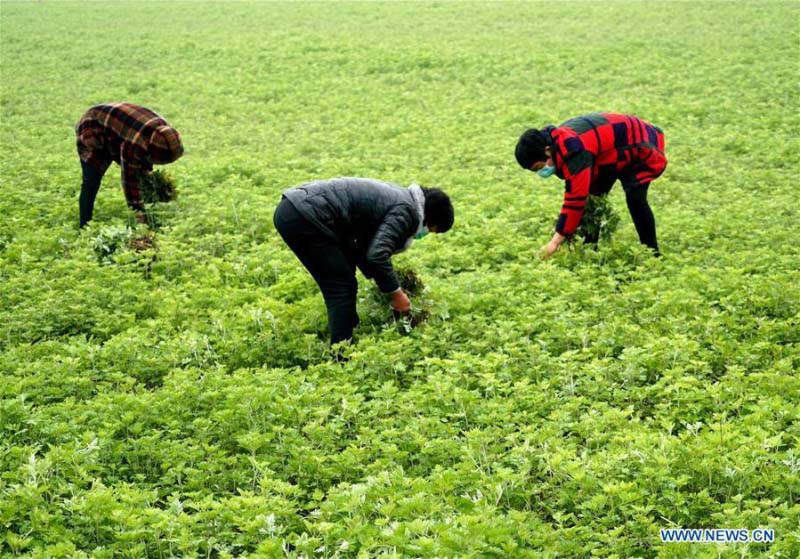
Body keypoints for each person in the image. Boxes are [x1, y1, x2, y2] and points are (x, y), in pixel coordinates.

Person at [273, 177, 454, 345]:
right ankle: (341, 356)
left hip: (296, 208)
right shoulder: (407, 212)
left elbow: (362, 249)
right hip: (305, 214)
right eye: (431, 230)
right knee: (340, 286)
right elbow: (377, 255)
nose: (425, 234)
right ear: (431, 218)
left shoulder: (401, 199)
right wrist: (395, 292)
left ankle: (350, 331)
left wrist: (384, 281)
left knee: (345, 274)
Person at [515, 112, 667, 258]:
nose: (541, 172)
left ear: (547, 151)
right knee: (593, 201)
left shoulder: (574, 150)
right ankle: (590, 252)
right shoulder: (555, 144)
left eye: (539, 167)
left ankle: (652, 254)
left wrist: (554, 243)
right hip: (608, 153)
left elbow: (575, 199)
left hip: (637, 142)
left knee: (636, 200)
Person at [75, 102, 184, 227]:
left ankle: (148, 212)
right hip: (93, 126)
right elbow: (129, 180)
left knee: (142, 173)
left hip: (118, 128)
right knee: (91, 181)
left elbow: (145, 163)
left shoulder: (166, 134)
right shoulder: (134, 145)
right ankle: (84, 226)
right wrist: (138, 214)